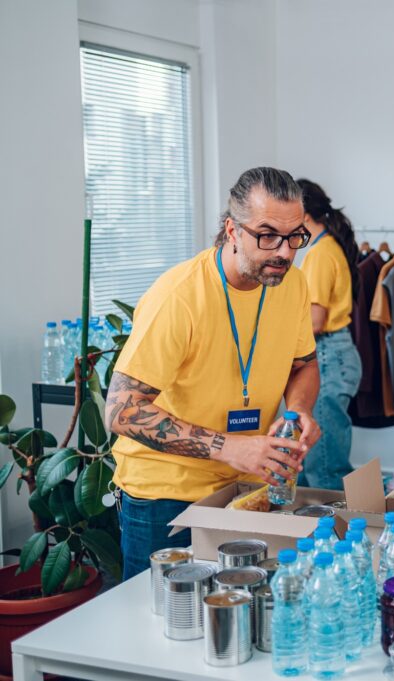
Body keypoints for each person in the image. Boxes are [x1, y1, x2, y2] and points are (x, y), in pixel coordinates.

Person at [105, 167, 322, 580]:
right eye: (267, 235)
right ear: (231, 230)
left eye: (295, 236)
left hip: (244, 487)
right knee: (162, 628)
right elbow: (120, 410)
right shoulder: (180, 296)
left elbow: (304, 364)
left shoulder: (290, 284)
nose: (285, 252)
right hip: (165, 498)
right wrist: (234, 448)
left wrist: (297, 412)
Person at [295, 179, 363, 488]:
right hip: (335, 355)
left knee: (322, 470)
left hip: (327, 356)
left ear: (303, 213)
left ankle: (333, 536)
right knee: (318, 464)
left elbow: (316, 321)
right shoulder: (329, 246)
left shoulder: (321, 254)